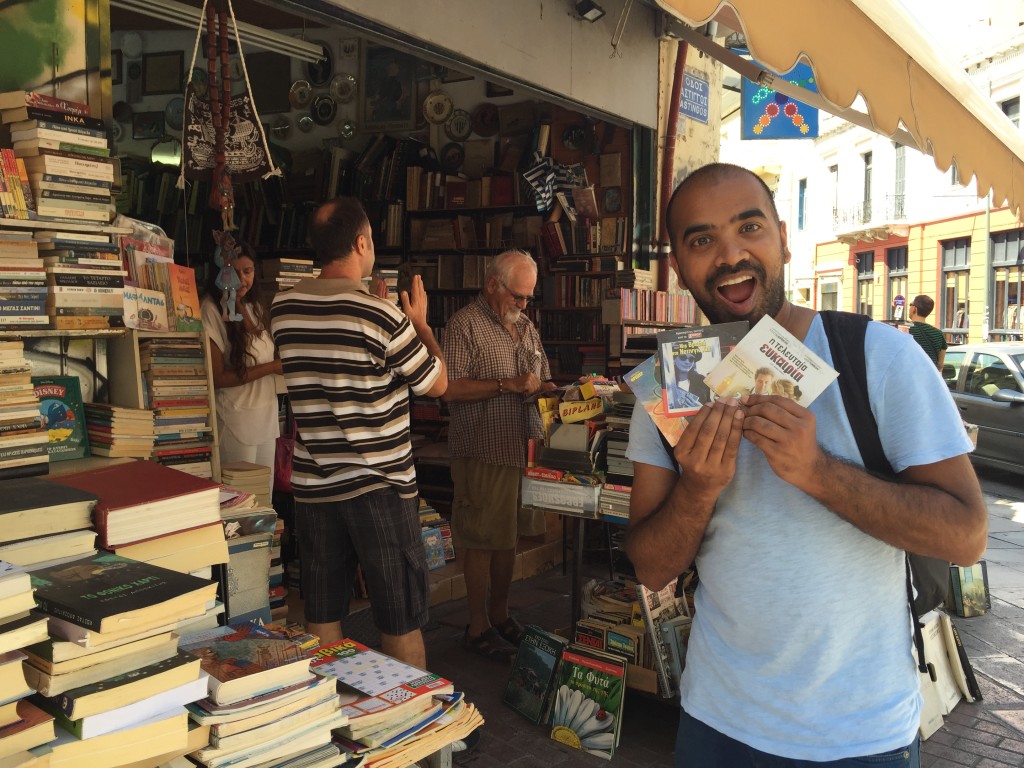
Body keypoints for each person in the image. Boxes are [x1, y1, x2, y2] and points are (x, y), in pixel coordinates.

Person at [625, 163, 987, 767]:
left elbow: (967, 536)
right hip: (717, 721)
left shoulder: (877, 356)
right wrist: (699, 489)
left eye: (749, 227)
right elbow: (652, 568)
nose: (730, 254)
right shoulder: (675, 380)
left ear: (784, 238)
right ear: (678, 264)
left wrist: (817, 471)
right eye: (701, 239)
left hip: (861, 733)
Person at [270, 197, 447, 667]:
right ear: (362, 243)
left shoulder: (282, 308)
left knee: (323, 613)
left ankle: (332, 721)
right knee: (399, 618)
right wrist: (421, 325)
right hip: (380, 488)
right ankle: (411, 726)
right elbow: (437, 383)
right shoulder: (381, 316)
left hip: (314, 488)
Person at [441, 249, 555, 662]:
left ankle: (500, 616)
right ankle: (475, 627)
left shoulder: (525, 325)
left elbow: (539, 378)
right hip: (481, 448)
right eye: (517, 296)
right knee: (479, 539)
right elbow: (449, 387)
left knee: (509, 538)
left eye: (528, 298)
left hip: (521, 445)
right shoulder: (464, 325)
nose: (523, 305)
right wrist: (507, 384)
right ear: (492, 284)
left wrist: (553, 390)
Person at [200, 240, 283, 495]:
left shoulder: (254, 306)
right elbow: (218, 377)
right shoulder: (211, 310)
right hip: (235, 420)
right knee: (239, 500)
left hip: (266, 418)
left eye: (247, 271)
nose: (242, 280)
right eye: (234, 272)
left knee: (264, 498)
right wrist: (271, 367)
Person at [908, 295, 948, 371]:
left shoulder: (906, 331)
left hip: (910, 378)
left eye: (910, 305)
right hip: (929, 379)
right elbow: (940, 365)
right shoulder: (939, 334)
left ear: (914, 309)